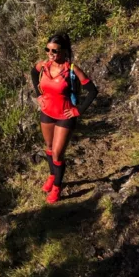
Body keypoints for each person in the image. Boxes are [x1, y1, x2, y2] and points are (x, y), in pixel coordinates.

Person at [31, 33, 98, 204]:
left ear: (64, 51)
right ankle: (52, 175)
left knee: (58, 153)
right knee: (49, 147)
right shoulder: (44, 66)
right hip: (47, 112)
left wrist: (78, 110)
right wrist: (39, 95)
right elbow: (33, 72)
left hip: (65, 114)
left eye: (54, 50)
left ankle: (57, 188)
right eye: (47, 49)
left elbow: (92, 91)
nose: (50, 53)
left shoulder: (72, 69)